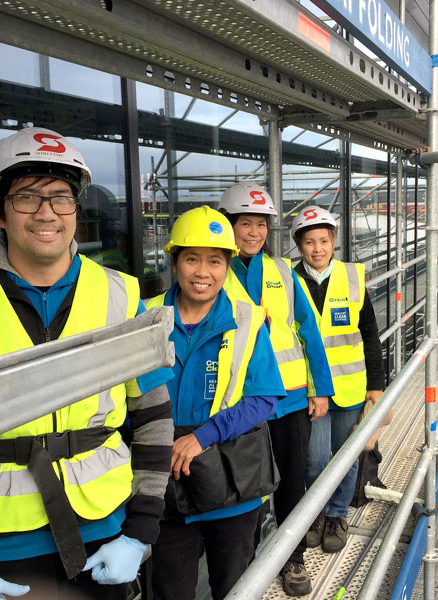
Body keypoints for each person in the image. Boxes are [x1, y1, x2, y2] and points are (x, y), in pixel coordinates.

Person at [0, 127, 173, 600]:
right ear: (0, 212)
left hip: (104, 532)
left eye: (61, 197)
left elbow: (154, 416)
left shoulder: (121, 297)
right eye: (26, 197)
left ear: (76, 211)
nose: (47, 213)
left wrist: (142, 530)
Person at [145, 205, 286, 600]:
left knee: (235, 587)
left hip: (231, 485)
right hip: (165, 481)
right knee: (169, 589)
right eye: (191, 259)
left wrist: (202, 436)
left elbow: (264, 398)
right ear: (174, 262)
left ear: (227, 265)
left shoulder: (247, 320)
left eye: (214, 261)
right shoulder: (146, 317)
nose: (202, 272)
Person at [217, 182, 334, 596]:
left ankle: (293, 556)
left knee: (290, 482)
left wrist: (320, 389)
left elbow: (309, 331)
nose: (254, 232)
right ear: (227, 224)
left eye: (260, 225)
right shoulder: (214, 270)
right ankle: (247, 564)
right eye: (244, 223)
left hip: (287, 398)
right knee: (244, 489)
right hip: (237, 404)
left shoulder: (283, 272)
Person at [290, 205, 385, 554]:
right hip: (310, 390)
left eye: (324, 241)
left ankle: (337, 514)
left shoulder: (351, 277)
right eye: (310, 242)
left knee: (346, 455)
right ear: (299, 245)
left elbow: (370, 336)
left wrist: (376, 387)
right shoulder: (288, 279)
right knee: (314, 459)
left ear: (334, 243)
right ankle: (315, 511)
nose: (318, 249)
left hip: (349, 387)